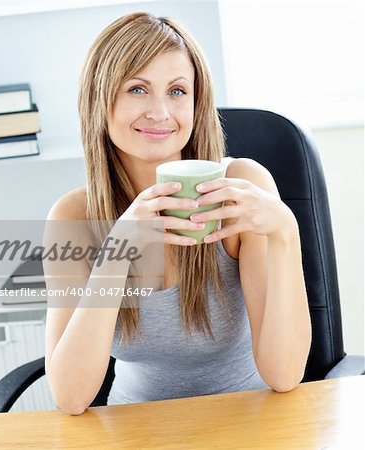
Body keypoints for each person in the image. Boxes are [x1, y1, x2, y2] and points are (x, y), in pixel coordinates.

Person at [44, 12, 312, 415]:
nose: (159, 112)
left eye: (176, 91)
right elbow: (70, 396)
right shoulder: (73, 218)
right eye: (137, 89)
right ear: (100, 99)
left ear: (195, 102)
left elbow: (285, 374)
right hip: (135, 429)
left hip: (248, 420)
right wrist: (118, 248)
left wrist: (285, 232)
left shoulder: (242, 186)